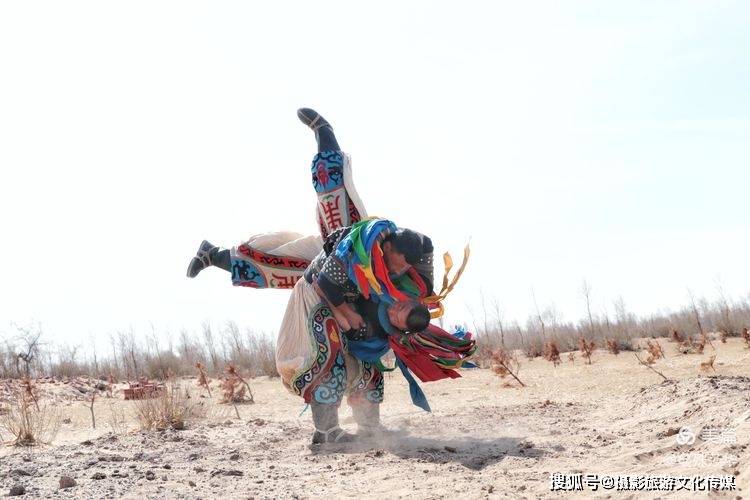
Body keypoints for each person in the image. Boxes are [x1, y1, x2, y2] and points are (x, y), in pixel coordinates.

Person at [186, 109, 438, 445]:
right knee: (325, 204)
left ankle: (212, 253)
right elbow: (326, 281)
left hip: (343, 282)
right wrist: (345, 312)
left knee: (276, 270)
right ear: (389, 247)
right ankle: (324, 132)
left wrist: (405, 314)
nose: (403, 270)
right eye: (400, 263)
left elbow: (424, 289)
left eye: (408, 268)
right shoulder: (359, 242)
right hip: (330, 266)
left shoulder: (413, 265)